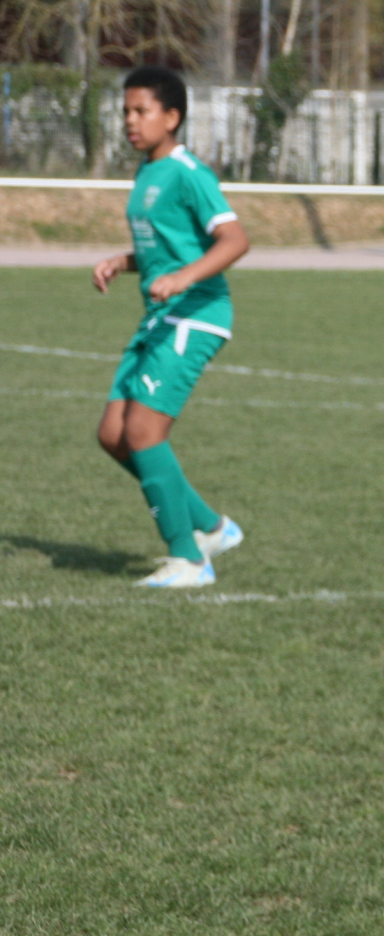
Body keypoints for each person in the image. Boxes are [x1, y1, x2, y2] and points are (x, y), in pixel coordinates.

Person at [92, 65, 249, 588]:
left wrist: (183, 278)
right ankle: (212, 527)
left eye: (142, 111)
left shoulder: (187, 172)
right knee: (113, 435)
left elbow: (235, 240)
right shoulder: (147, 172)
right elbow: (168, 249)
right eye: (126, 112)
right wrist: (123, 262)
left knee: (143, 431)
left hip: (196, 313)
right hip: (159, 316)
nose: (130, 121)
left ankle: (189, 560)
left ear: (172, 116)